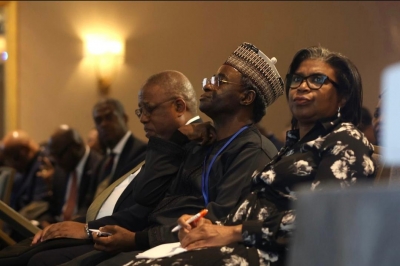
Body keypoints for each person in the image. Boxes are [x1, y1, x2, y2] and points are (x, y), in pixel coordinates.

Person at [100, 46, 377, 266]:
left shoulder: (345, 141)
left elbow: (322, 221)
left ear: (342, 97)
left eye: (317, 80)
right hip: (239, 245)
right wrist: (202, 224)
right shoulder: (291, 147)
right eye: (297, 79)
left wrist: (232, 232)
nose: (302, 87)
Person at [58, 42, 284, 266]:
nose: (207, 86)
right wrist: (176, 139)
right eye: (209, 80)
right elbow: (147, 196)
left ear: (247, 98)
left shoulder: (253, 151)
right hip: (156, 240)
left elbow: (219, 221)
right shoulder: (201, 140)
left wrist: (136, 239)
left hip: (185, 248)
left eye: (219, 81)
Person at [23, 70, 201, 265]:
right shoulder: (165, 144)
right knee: (27, 253)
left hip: (144, 241)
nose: (142, 119)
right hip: (114, 230)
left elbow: (146, 204)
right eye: (140, 111)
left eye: (149, 109)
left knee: (40, 261)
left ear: (179, 106)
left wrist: (88, 229)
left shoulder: (193, 145)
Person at [36, 125, 103, 227]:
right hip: (59, 229)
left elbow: (93, 210)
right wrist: (45, 222)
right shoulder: (61, 170)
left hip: (82, 230)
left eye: (59, 155)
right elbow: (53, 208)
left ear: (76, 147)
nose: (57, 162)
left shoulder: (99, 167)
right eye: (53, 156)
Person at [91, 98, 147, 196]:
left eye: (109, 117)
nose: (103, 124)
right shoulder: (103, 162)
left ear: (124, 118)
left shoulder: (142, 153)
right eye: (98, 120)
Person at [1, 130, 49, 212]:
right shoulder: (23, 169)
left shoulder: (43, 166)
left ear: (25, 151)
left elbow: (39, 204)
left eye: (14, 158)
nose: (11, 164)